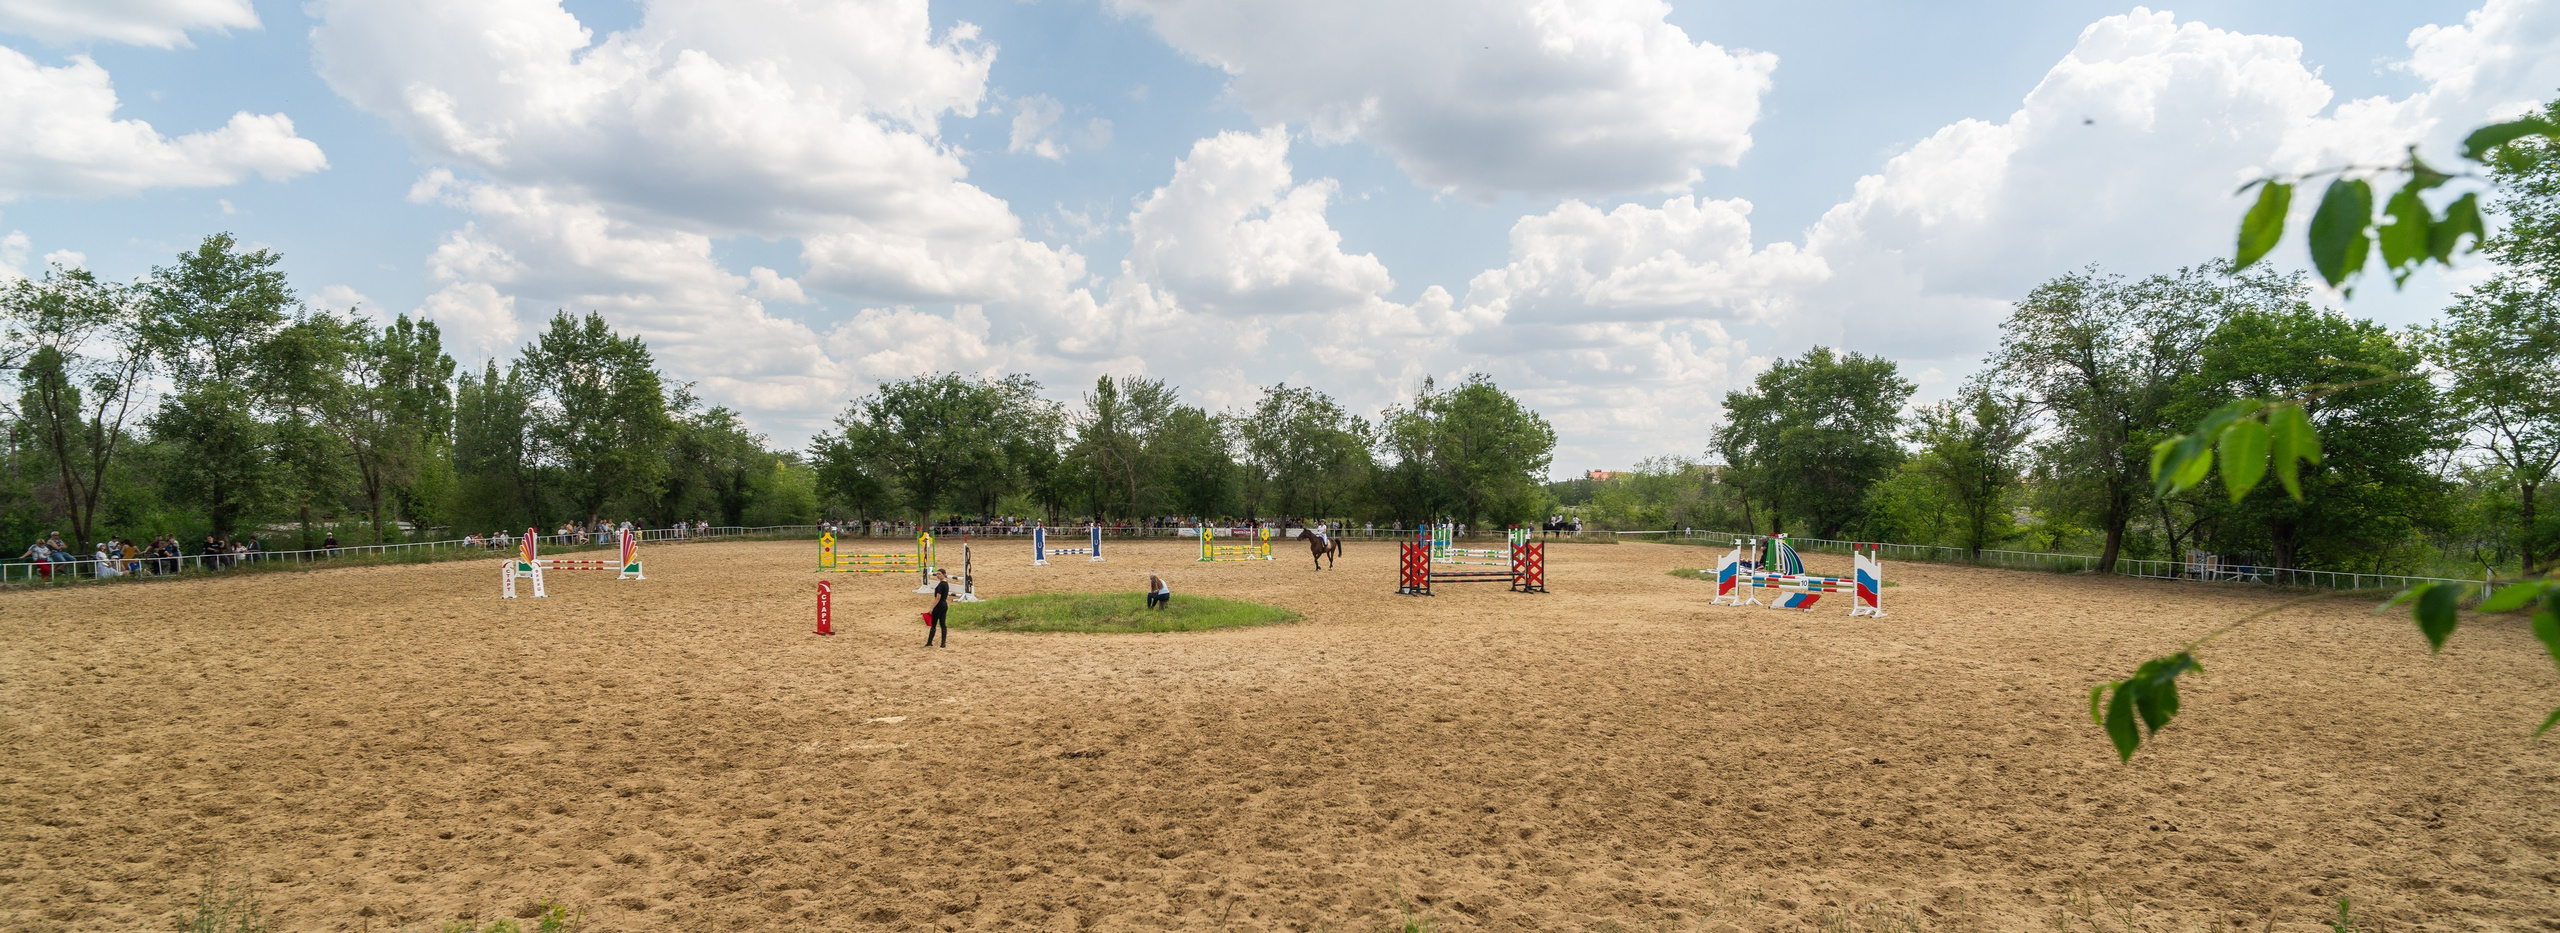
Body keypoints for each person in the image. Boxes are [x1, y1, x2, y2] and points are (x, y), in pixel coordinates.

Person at [924, 569, 952, 647]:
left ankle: (929, 642)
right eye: (937, 574)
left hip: (939, 605)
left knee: (933, 624)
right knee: (943, 624)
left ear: (944, 574)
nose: (938, 575)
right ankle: (943, 643)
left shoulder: (940, 585)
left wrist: (932, 608)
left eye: (939, 574)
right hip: (944, 604)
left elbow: (938, 597)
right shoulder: (946, 584)